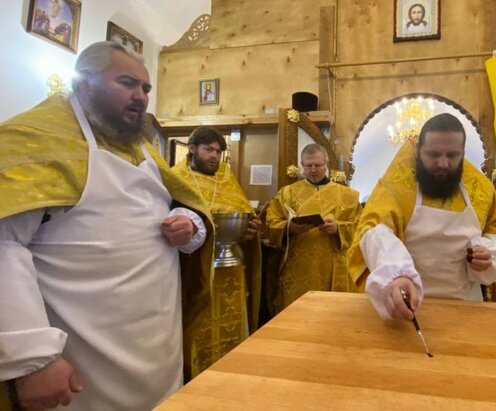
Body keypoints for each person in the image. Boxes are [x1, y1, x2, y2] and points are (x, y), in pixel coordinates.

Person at [0, 41, 214, 410]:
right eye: (127, 83)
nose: (141, 97)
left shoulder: (141, 147)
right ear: (82, 84)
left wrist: (191, 226)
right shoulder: (34, 138)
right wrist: (33, 357)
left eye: (145, 88)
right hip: (85, 352)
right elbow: (4, 244)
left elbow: (182, 208)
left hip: (156, 340)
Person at [347, 113, 496, 320]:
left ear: (463, 153)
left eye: (452, 155)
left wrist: (490, 252)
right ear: (418, 151)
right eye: (434, 154)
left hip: (466, 308)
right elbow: (373, 231)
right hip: (407, 304)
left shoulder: (480, 190)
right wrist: (396, 273)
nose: (443, 163)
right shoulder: (395, 187)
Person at [171, 126, 263, 379]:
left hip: (231, 273)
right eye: (208, 150)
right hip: (193, 272)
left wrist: (249, 231)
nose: (215, 156)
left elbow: (244, 216)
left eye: (219, 151)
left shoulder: (228, 180)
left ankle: (233, 377)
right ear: (192, 149)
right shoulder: (174, 179)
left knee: (232, 331)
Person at [265, 144, 362, 314]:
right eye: (308, 166)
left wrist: (338, 229)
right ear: (302, 165)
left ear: (326, 164)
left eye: (318, 165)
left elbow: (362, 227)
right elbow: (270, 223)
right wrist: (290, 227)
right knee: (298, 316)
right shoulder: (287, 193)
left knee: (331, 316)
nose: (313, 170)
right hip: (297, 266)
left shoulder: (348, 195)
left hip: (333, 266)